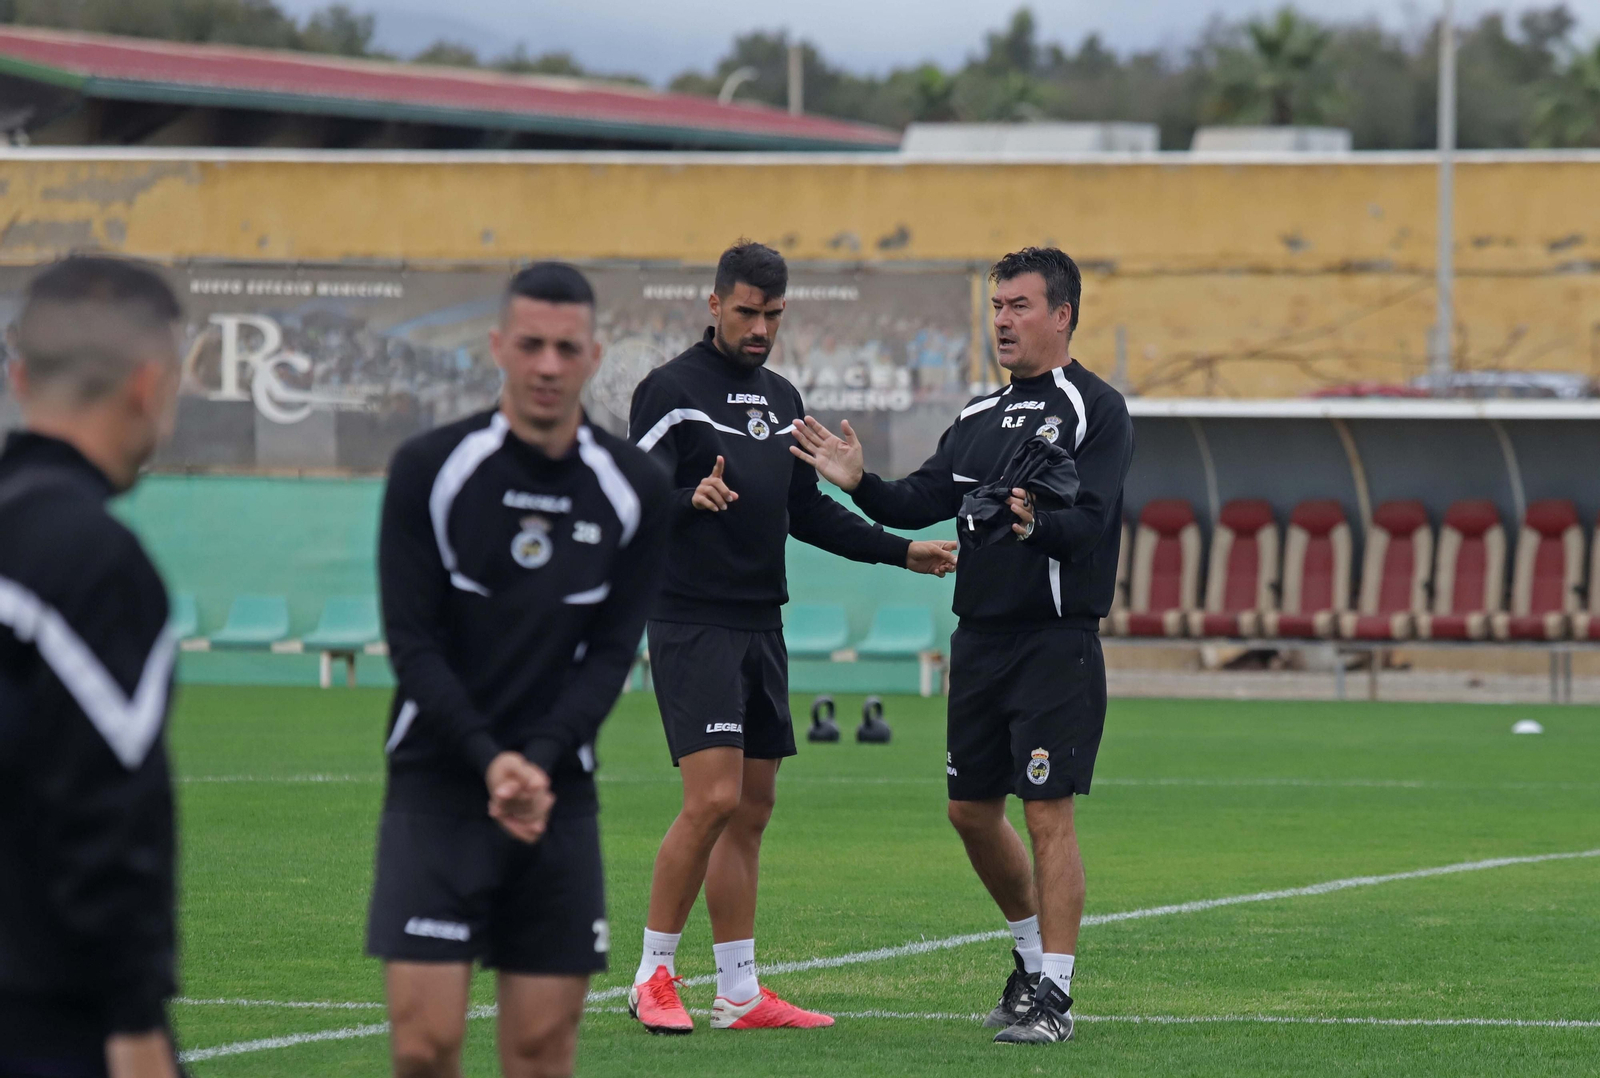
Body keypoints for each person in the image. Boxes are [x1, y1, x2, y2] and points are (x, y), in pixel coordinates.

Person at [790, 247, 1134, 1046]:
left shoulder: (1095, 408)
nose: (1003, 320)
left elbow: (1092, 524)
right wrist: (859, 483)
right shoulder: (978, 418)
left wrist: (1031, 523)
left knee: (1047, 813)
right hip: (978, 640)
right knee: (970, 812)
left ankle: (1057, 994)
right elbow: (918, 498)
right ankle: (1026, 962)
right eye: (996, 305)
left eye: (1018, 305)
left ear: (1062, 315)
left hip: (1054, 642)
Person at [625, 241, 957, 1034]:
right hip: (691, 620)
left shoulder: (781, 397)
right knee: (709, 800)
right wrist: (684, 498)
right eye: (747, 312)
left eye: (773, 314)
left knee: (751, 809)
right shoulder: (668, 391)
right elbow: (626, 499)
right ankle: (651, 976)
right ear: (714, 305)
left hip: (758, 624)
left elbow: (803, 510)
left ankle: (739, 992)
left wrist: (899, 549)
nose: (761, 328)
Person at [367, 263, 670, 1078]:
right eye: (529, 344)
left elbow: (611, 653)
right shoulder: (431, 468)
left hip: (555, 794)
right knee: (424, 1051)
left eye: (565, 348)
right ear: (498, 346)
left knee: (541, 1053)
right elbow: (412, 641)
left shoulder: (636, 489)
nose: (546, 364)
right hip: (437, 784)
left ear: (593, 356)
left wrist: (535, 764)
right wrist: (487, 758)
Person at [0, 257, 185, 1078]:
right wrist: (136, 1023)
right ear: (148, 386)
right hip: (51, 1018)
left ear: (18, 376)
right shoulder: (92, 562)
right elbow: (111, 814)